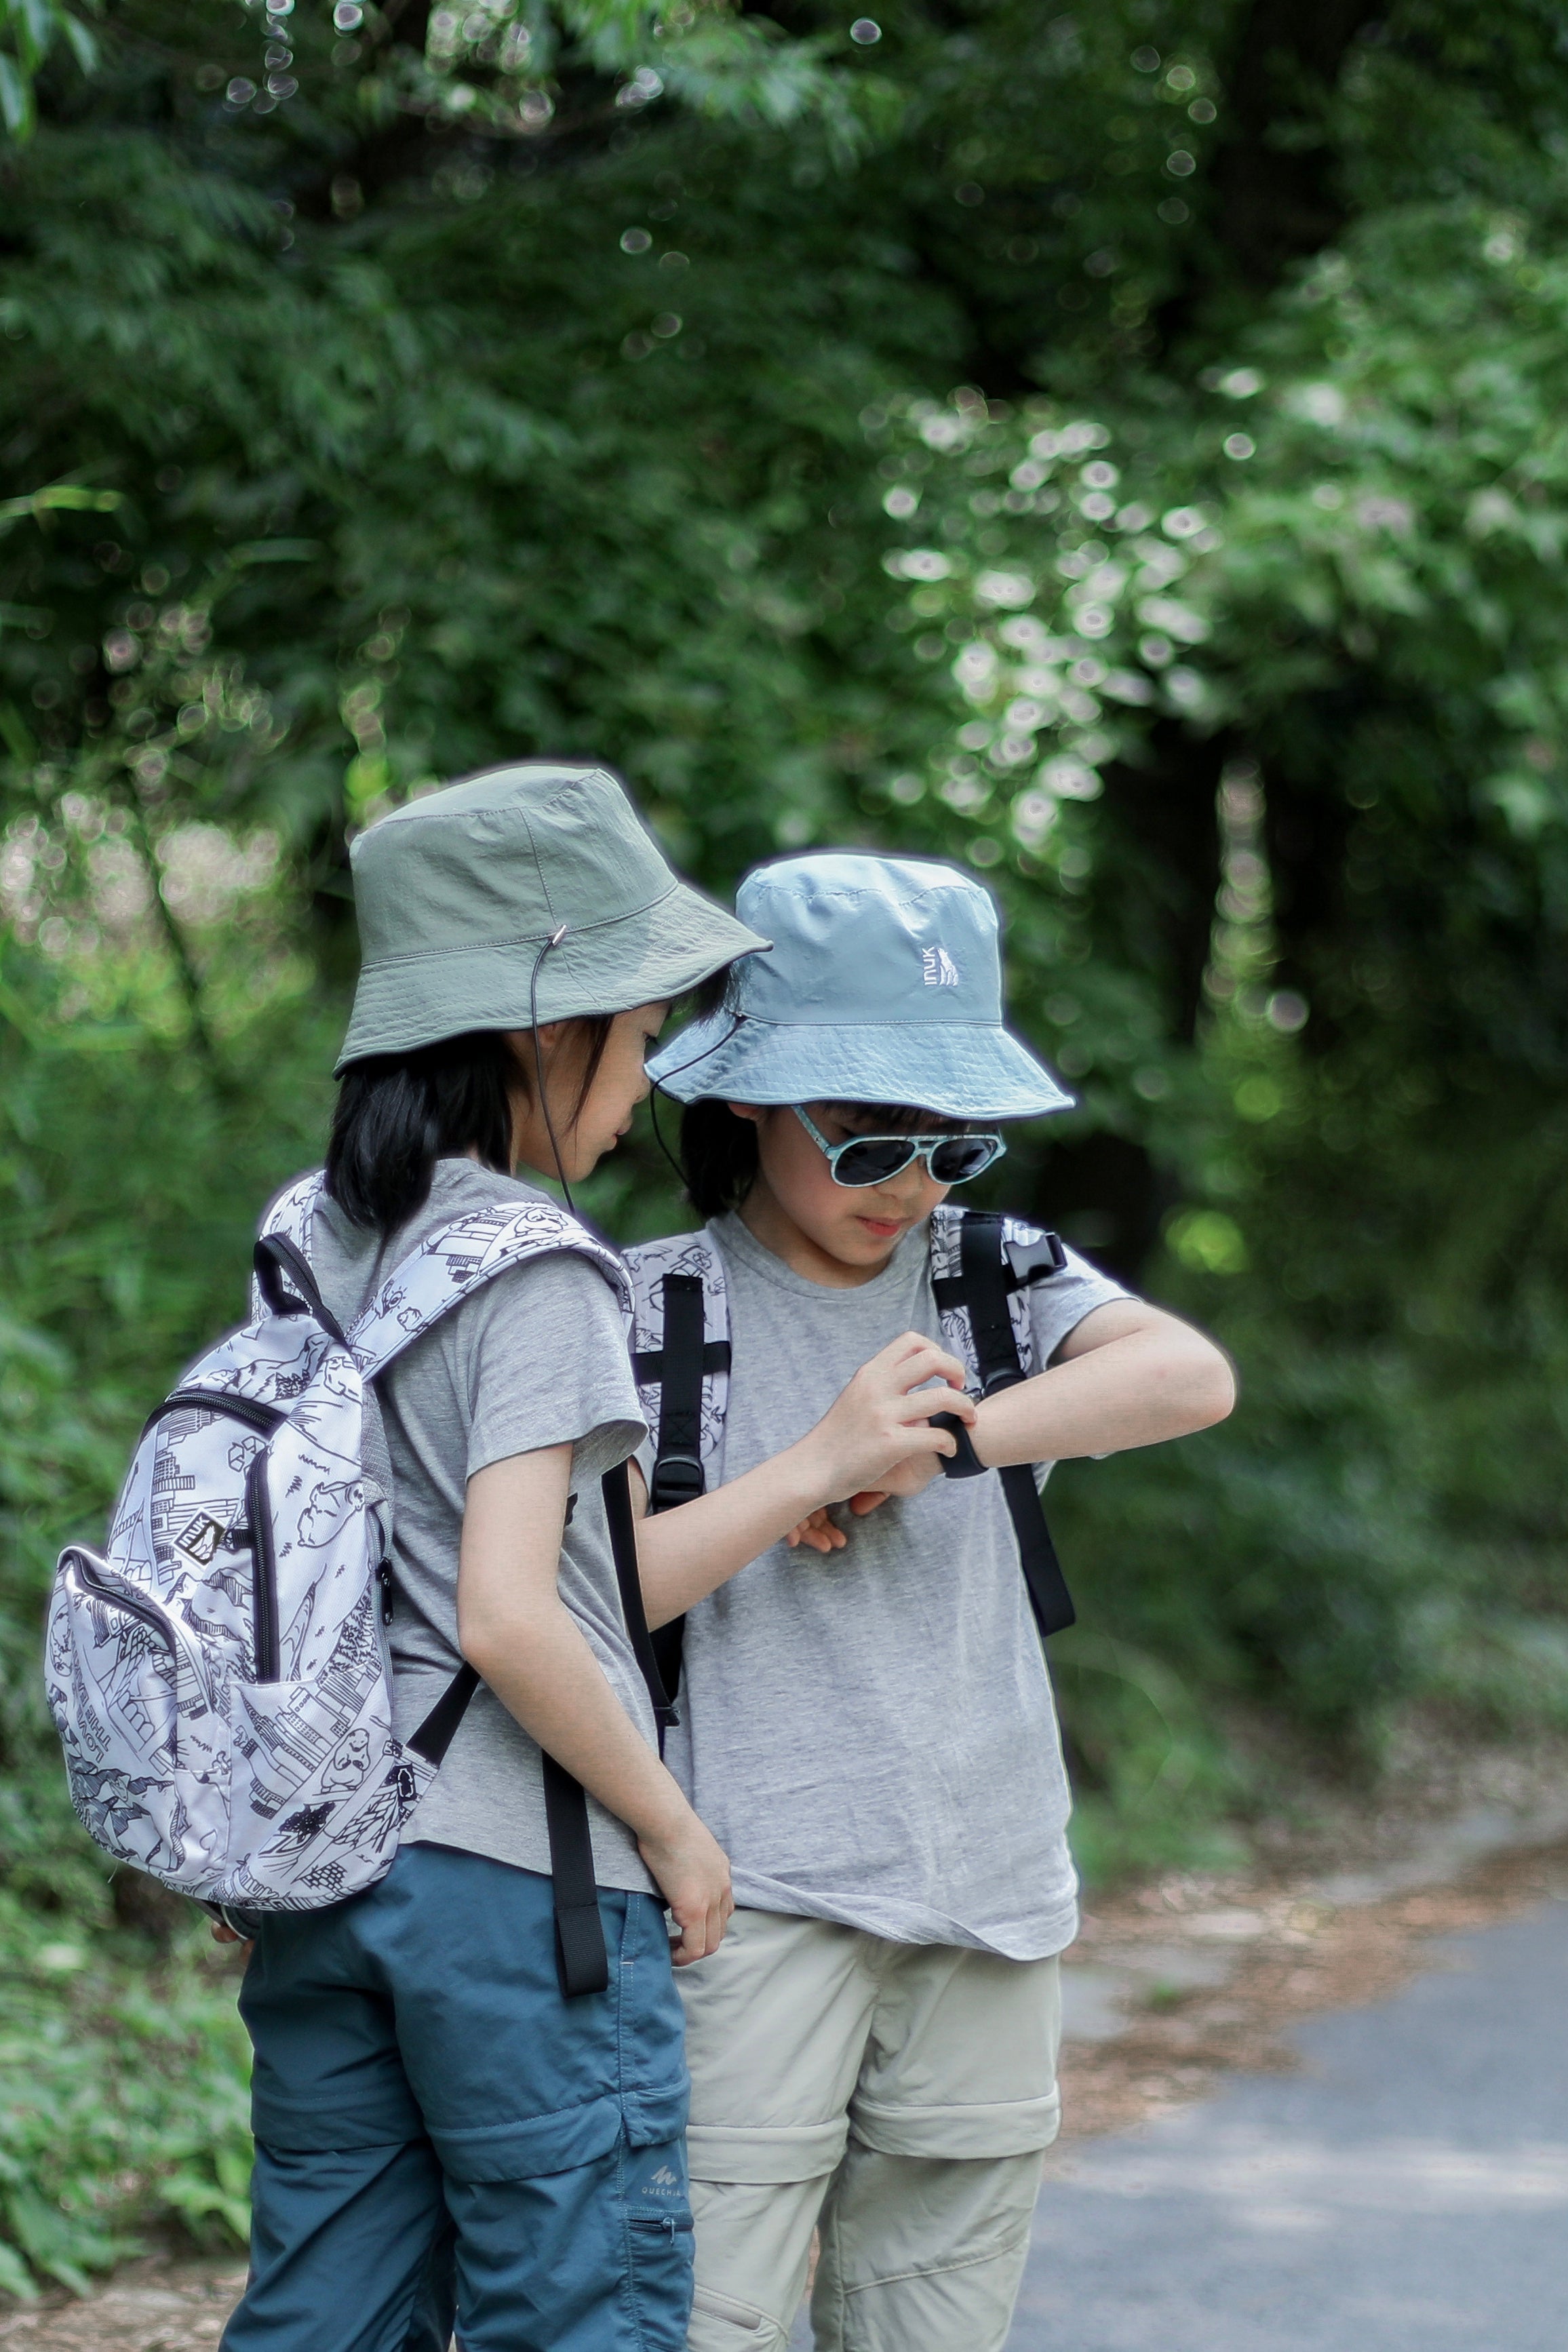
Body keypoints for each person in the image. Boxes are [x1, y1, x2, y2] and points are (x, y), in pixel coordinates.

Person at [625, 852, 1238, 2352]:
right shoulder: (645, 1309)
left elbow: (1189, 1378)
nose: (907, 1185)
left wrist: (939, 1445)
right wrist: (805, 1470)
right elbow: (593, 1591)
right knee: (706, 2318)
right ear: (744, 1103)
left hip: (987, 1884)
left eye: (948, 1145)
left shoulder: (991, 1276)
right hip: (743, 1897)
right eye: (863, 1138)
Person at [218, 761, 768, 2352]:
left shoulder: (303, 1235)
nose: (642, 1072)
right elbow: (512, 1619)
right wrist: (673, 1830)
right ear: (545, 1026)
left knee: (325, 2312)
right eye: (639, 1031)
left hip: (321, 1870)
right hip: (515, 1896)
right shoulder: (535, 1275)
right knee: (573, 2303)